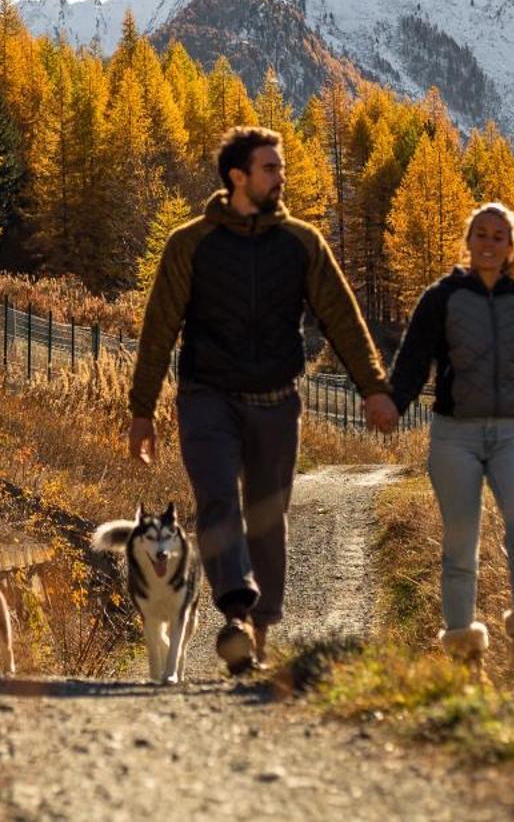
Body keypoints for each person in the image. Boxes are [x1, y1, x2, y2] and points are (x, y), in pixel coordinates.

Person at [128, 126, 398, 675]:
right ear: (238, 177)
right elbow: (159, 328)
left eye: (281, 168)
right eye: (270, 168)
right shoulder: (190, 243)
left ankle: (260, 629)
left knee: (268, 515)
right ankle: (234, 610)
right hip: (207, 397)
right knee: (218, 499)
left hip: (277, 400)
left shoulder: (301, 242)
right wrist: (142, 410)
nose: (282, 176)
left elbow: (341, 316)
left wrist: (373, 388)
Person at [387, 201, 514, 684]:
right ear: (467, 242)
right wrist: (392, 404)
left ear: (511, 247)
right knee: (460, 544)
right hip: (456, 437)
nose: (489, 243)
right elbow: (412, 362)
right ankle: (465, 663)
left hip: (512, 434)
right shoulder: (442, 297)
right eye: (481, 234)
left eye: (499, 236)